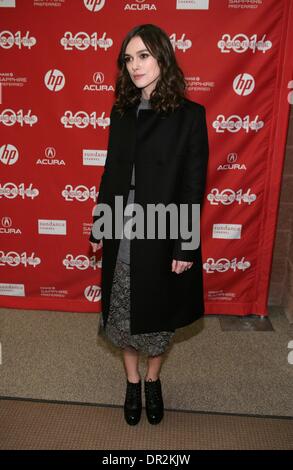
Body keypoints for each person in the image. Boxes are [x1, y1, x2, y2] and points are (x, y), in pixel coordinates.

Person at [89, 24, 209, 426]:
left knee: (159, 318)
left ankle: (153, 380)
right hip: (122, 225)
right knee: (122, 311)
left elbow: (194, 186)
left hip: (163, 229)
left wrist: (185, 246)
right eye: (128, 58)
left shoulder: (191, 116)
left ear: (162, 56)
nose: (135, 65)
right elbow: (110, 173)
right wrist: (99, 225)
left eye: (143, 55)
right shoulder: (122, 111)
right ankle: (131, 381)